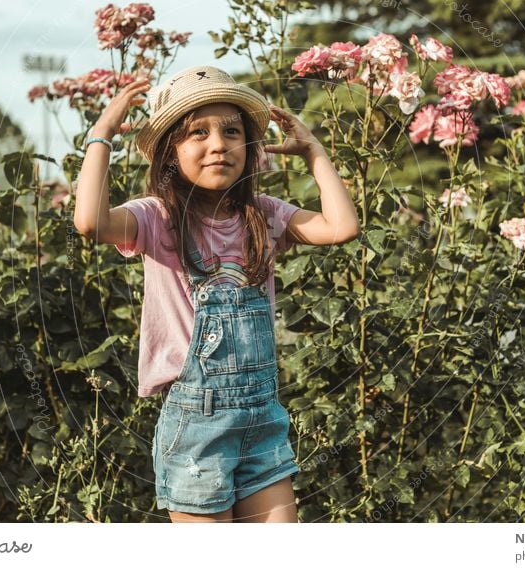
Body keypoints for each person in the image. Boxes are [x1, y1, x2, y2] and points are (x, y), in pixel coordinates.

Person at [73, 65, 360, 522]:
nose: (218, 144)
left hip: (262, 417)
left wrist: (315, 154)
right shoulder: (155, 218)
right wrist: (102, 134)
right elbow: (90, 222)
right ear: (170, 151)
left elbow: (342, 227)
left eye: (231, 131)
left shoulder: (262, 215)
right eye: (197, 133)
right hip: (196, 426)